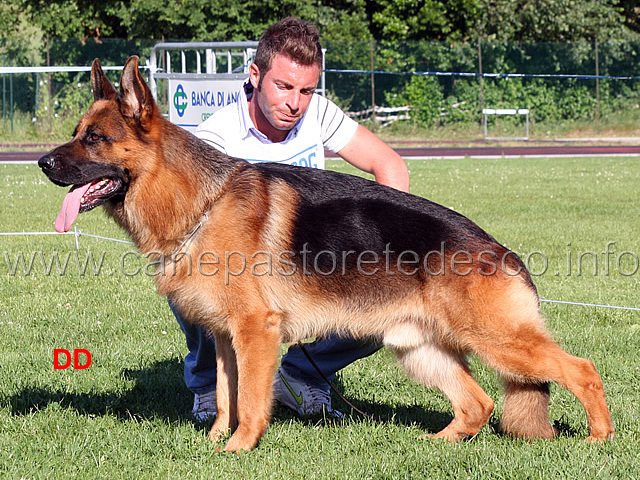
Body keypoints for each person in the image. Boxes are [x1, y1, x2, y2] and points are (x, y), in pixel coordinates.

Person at [175, 16, 410, 422]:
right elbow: (193, 229)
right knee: (196, 279)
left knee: (391, 295)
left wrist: (387, 246)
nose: (295, 103)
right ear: (255, 75)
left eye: (306, 90)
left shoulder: (317, 112)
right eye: (283, 87)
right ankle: (208, 386)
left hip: (311, 264)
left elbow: (389, 165)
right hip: (239, 268)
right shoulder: (217, 136)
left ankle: (300, 374)